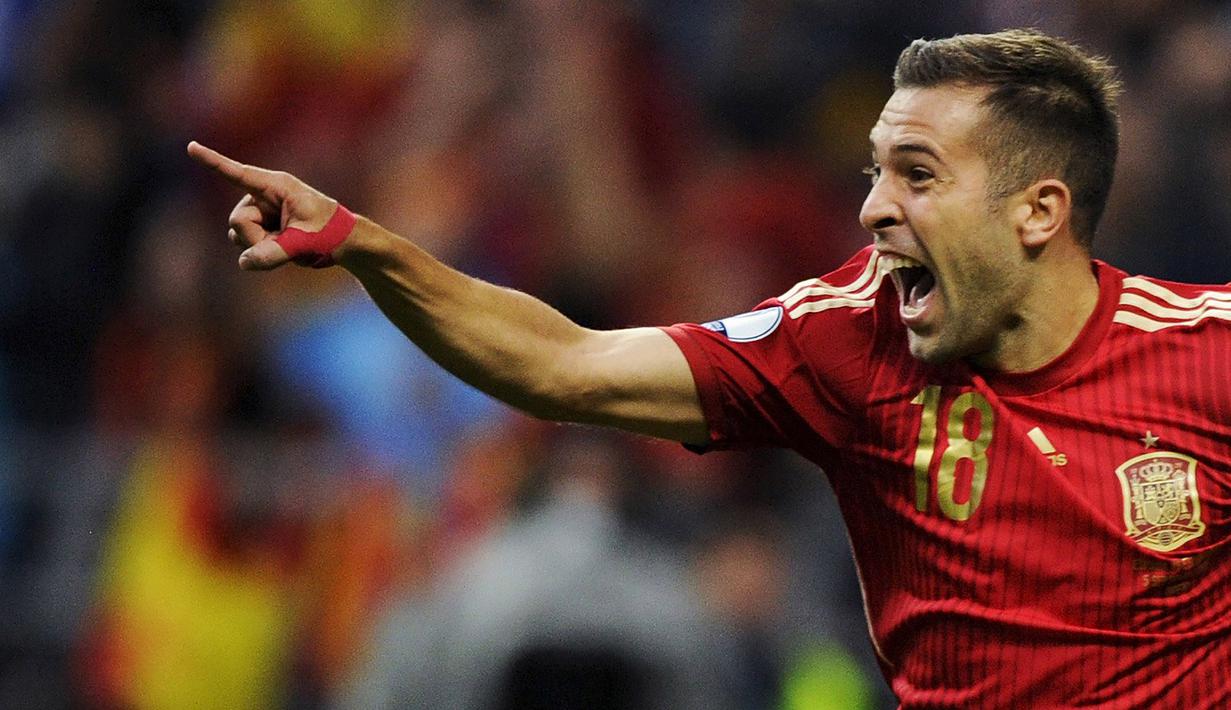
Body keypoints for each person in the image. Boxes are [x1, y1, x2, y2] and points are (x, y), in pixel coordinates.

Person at [190, 28, 1231, 709]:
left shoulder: (1209, 357)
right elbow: (565, 365)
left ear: (1037, 212)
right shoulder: (846, 336)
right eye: (875, 172)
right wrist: (366, 245)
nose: (873, 208)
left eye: (917, 176)